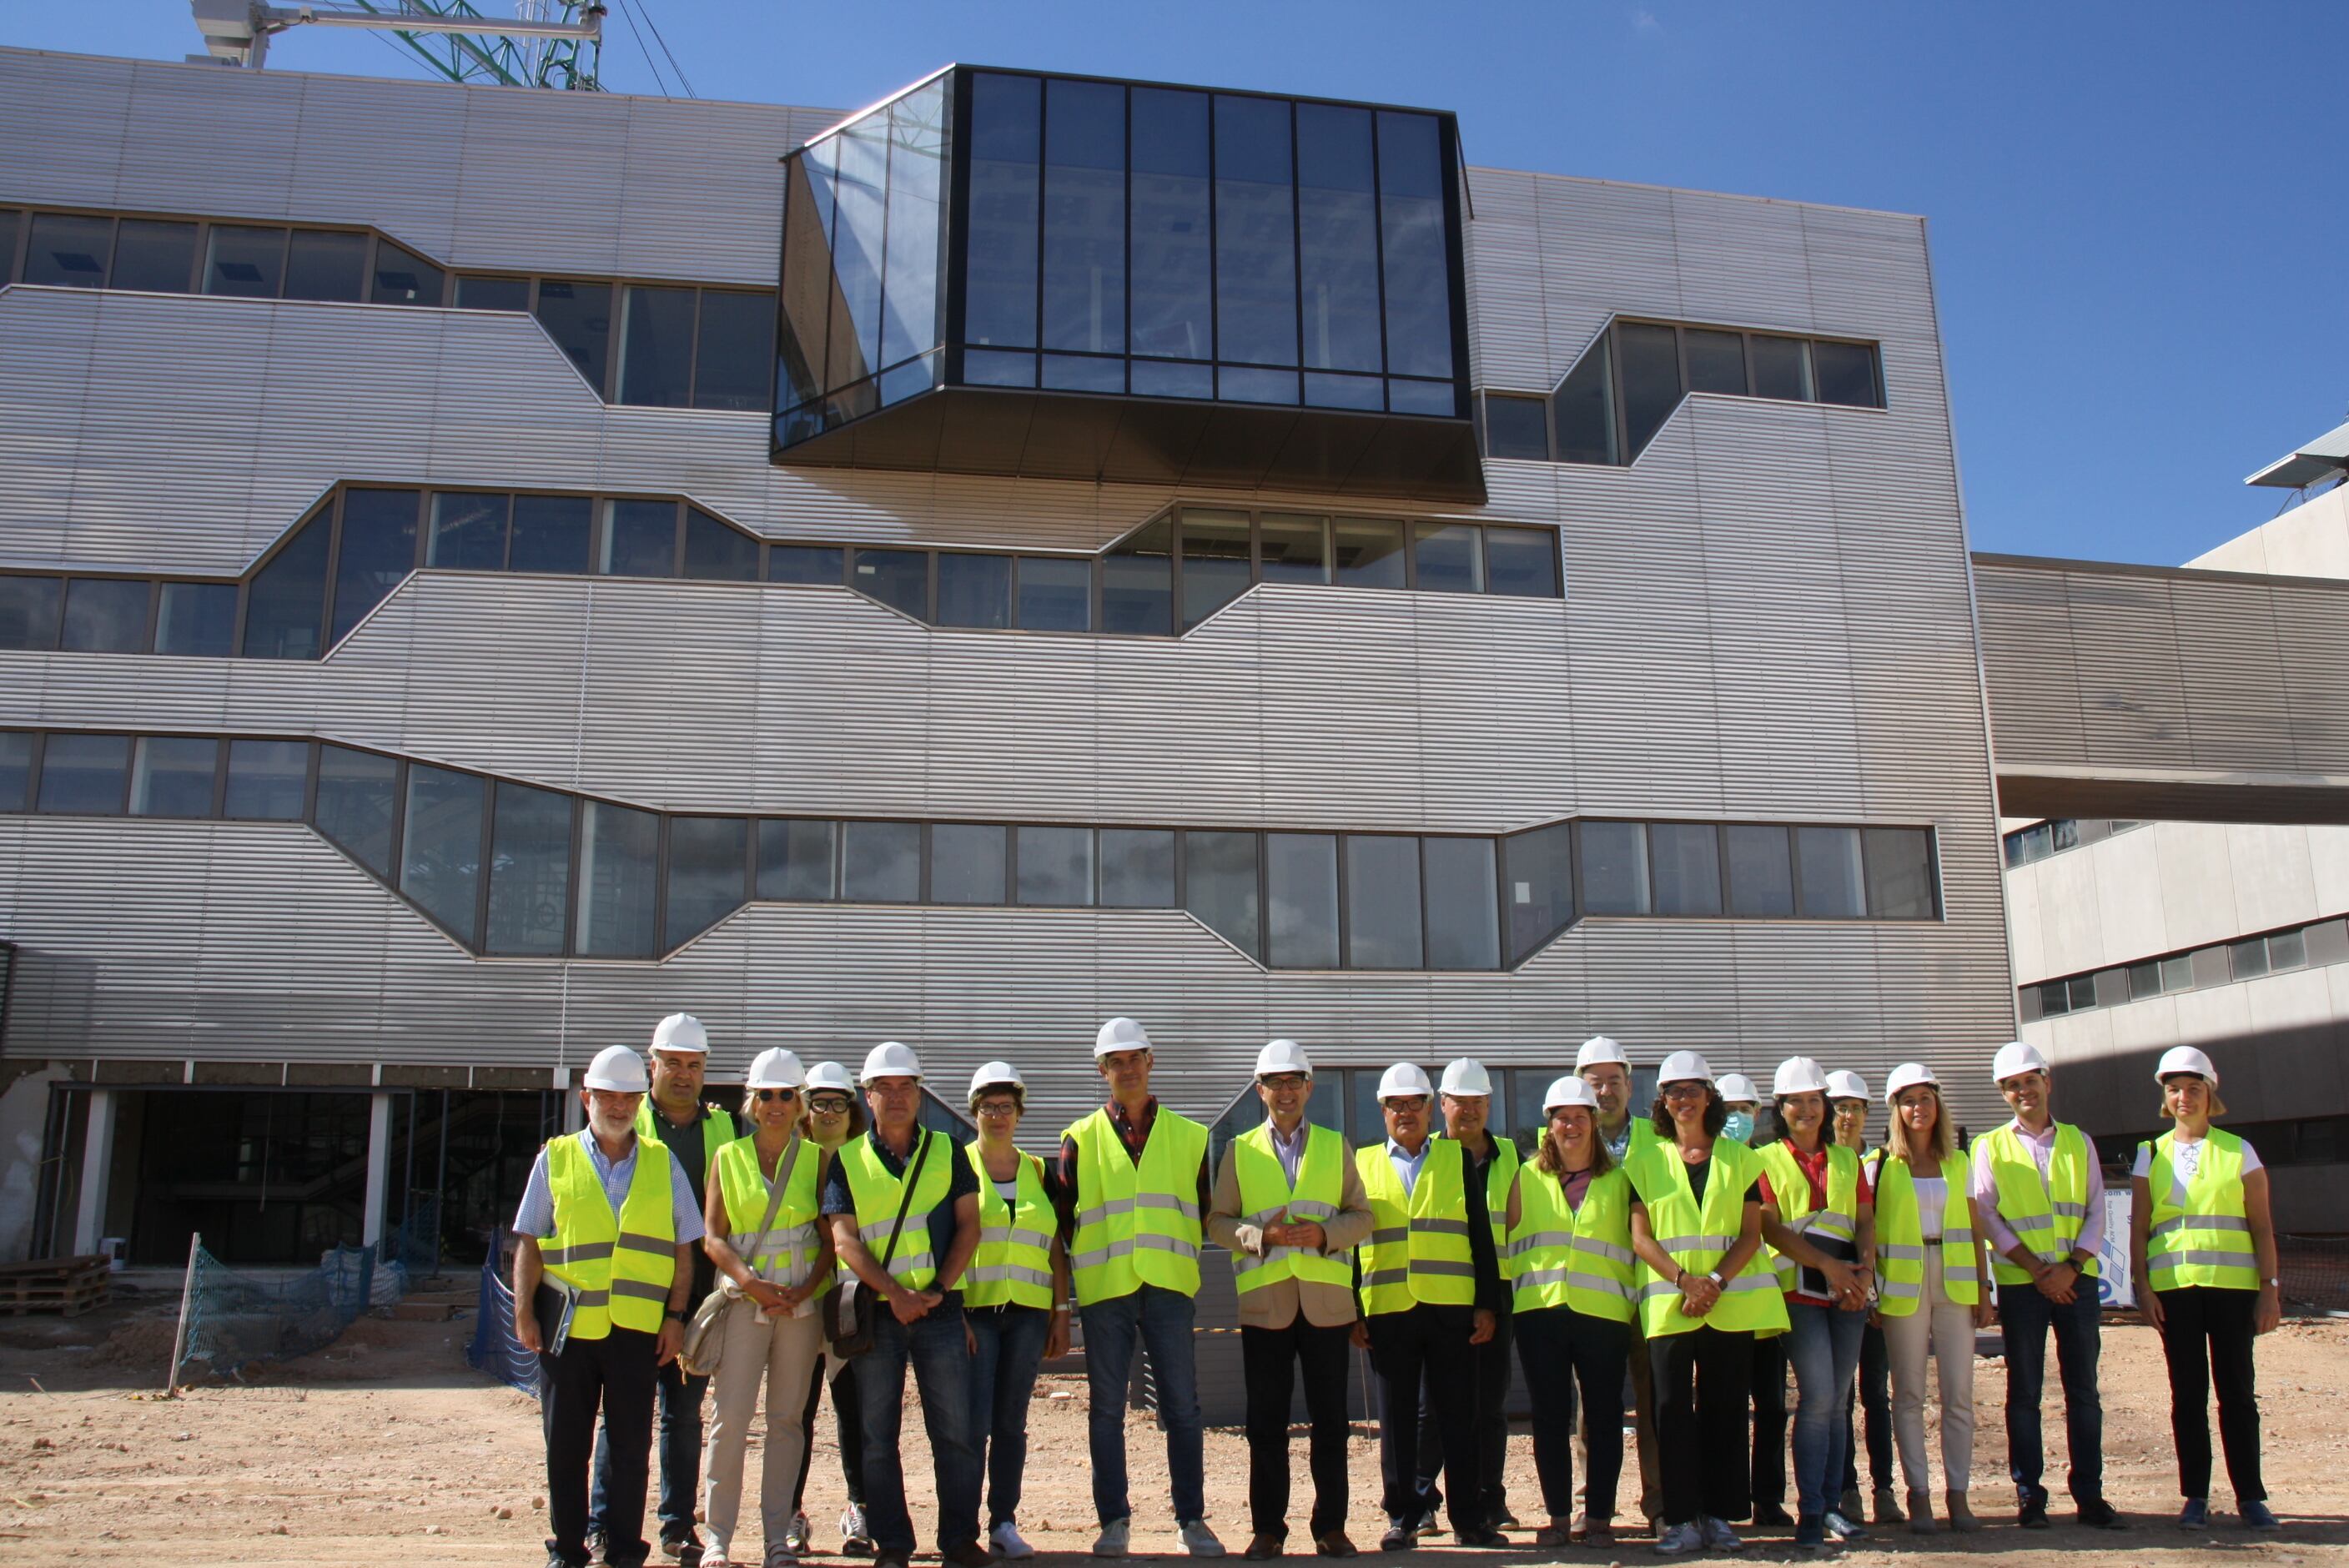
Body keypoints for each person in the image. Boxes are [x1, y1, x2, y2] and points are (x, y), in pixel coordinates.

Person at [513, 1044, 704, 1568]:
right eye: (607, 1097)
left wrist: (675, 1317)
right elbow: (529, 1240)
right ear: (587, 1097)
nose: (618, 1107)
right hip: (566, 1331)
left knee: (629, 1449)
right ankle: (568, 1550)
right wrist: (524, 1313)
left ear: (639, 1102)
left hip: (637, 1331)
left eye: (628, 1098)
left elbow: (684, 1247)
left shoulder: (663, 1164)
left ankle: (623, 1550)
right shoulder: (555, 1158)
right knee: (566, 1448)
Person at [1056, 1018, 1225, 1558]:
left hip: (1169, 1287)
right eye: (1115, 1061)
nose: (1126, 1069)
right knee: (1106, 1409)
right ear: (1101, 1071)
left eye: (1135, 1059)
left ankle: (1191, 1520)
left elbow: (1202, 1212)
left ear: (1150, 1062)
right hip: (1106, 1289)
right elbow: (1062, 1223)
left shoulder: (1190, 1136)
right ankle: (1114, 1522)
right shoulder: (1078, 1140)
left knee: (1182, 1408)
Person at [820, 1042, 988, 1568]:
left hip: (938, 1310)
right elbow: (844, 1241)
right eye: (884, 1088)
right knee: (877, 1435)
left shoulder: (951, 1150)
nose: (896, 1097)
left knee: (956, 1433)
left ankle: (959, 1539)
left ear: (919, 1094)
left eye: (906, 1087)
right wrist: (895, 1295)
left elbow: (970, 1227)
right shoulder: (847, 1161)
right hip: (878, 1312)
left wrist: (937, 1291)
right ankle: (893, 1544)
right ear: (866, 1097)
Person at [1206, 1039, 1375, 1560]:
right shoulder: (1240, 1149)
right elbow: (1217, 1222)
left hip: (1325, 1305)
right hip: (1267, 1305)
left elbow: (1362, 1217)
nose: (1284, 1092)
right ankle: (1268, 1530)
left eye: (1293, 1082)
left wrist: (1325, 1234)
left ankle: (1331, 1528)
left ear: (1309, 1088)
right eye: (1274, 1083)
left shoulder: (1334, 1144)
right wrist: (1263, 1237)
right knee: (1266, 1424)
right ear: (1260, 1091)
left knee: (1330, 1422)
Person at [589, 1014, 744, 1566]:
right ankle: (604, 1526)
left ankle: (677, 1526)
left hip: (701, 1301)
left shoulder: (728, 1130)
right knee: (622, 1415)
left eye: (694, 1065)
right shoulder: (629, 1120)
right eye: (673, 1063)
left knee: (683, 1415)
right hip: (634, 1294)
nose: (683, 1075)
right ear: (652, 1064)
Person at [1625, 1050, 1787, 1557]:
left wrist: (1712, 1281)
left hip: (1728, 1304)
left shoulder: (1744, 1159)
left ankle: (1719, 1515)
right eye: (1674, 1092)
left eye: (1694, 1090)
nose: (1684, 1100)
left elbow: (1751, 1234)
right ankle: (1679, 1519)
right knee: (1670, 1411)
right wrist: (1684, 1281)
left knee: (1725, 1409)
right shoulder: (1642, 1161)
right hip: (1671, 1305)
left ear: (1710, 1098)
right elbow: (1640, 1236)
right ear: (1663, 1103)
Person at [1351, 1063, 1508, 1552]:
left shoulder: (1456, 1158)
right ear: (1382, 1111)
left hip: (1450, 1310)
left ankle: (1468, 1518)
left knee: (1459, 1415)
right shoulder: (1363, 1163)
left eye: (1414, 1103)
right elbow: (1352, 1246)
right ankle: (1405, 1516)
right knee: (1397, 1420)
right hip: (1389, 1309)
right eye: (1395, 1105)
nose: (1405, 1113)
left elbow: (1481, 1235)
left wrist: (1485, 1304)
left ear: (1428, 1107)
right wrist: (1354, 1307)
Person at [1971, 1040, 2125, 1530]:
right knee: (2025, 1392)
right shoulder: (1989, 1146)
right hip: (2023, 1285)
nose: (2023, 1091)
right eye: (2012, 1085)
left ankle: (2090, 1496)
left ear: (2046, 1081)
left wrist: (2072, 1267)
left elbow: (2097, 1208)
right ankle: (2029, 1495)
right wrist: (2039, 1271)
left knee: (2084, 1392)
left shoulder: (2079, 1141)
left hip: (2076, 1282)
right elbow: (1986, 1215)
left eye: (2029, 1081)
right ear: (2003, 1092)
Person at [2128, 1046, 2282, 1532]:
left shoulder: (2239, 1151)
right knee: (2187, 1395)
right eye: (2174, 1090)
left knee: (2237, 1393)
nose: (2183, 1097)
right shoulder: (2150, 1153)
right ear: (2165, 1097)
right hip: (2175, 1292)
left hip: (2233, 1291)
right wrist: (2144, 1289)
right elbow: (2139, 1229)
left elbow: (2261, 1226)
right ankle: (2195, 1495)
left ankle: (2250, 1497)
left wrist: (2270, 1289)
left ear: (2210, 1093)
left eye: (2193, 1089)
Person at [700, 1048, 831, 1568]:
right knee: (730, 1420)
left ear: (799, 1104)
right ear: (752, 1102)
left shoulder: (817, 1159)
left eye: (785, 1095)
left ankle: (778, 1535)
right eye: (766, 1095)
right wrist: (751, 1283)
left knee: (786, 1420)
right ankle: (718, 1538)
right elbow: (714, 1236)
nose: (775, 1104)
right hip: (743, 1300)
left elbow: (830, 1235)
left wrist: (805, 1290)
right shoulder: (727, 1158)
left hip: (799, 1306)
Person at [1504, 1076, 1636, 1549]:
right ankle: (1559, 1517)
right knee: (1549, 1416)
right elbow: (1507, 1243)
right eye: (1562, 1118)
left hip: (1603, 1315)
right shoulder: (1525, 1176)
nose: (1571, 1125)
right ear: (1549, 1125)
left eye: (1580, 1117)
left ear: (1594, 1124)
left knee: (1603, 1416)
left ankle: (1598, 1516)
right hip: (1541, 1312)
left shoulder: (1620, 1180)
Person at [1755, 1058, 1876, 1550]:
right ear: (1779, 1109)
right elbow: (1770, 1227)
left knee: (1838, 1403)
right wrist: (1830, 1269)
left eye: (1813, 1101)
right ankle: (1810, 1512)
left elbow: (1865, 1220)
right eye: (1795, 1102)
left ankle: (1831, 1506)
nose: (1806, 1110)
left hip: (1848, 1292)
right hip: (1799, 1294)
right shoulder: (1764, 1160)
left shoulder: (1848, 1160)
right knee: (1819, 1397)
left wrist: (1862, 1273)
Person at [963, 1062, 1072, 1560]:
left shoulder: (1037, 1171)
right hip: (976, 1314)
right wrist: (954, 1313)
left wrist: (1060, 1311)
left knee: (1011, 1422)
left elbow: (1054, 1246)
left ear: (1019, 1114)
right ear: (975, 1112)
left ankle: (1003, 1522)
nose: (998, 1116)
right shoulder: (956, 1166)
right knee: (973, 1423)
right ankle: (961, 1524)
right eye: (989, 1107)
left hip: (1028, 1315)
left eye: (1006, 1107)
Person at [1871, 1063, 1985, 1535]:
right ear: (1895, 1110)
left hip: (1955, 1282)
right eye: (1909, 1100)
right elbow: (1869, 1232)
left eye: (1926, 1098)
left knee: (1959, 1393)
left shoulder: (1960, 1163)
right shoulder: (1879, 1166)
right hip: (1902, 1286)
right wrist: (1874, 1291)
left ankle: (1957, 1494)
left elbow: (1976, 1228)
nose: (1919, 1108)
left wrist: (1983, 1285)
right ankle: (1919, 1494)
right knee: (1910, 1394)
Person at [1412, 1058, 1520, 1536]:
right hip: (1438, 1294)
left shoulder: (1515, 1156)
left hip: (1496, 1293)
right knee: (1432, 1408)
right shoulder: (1426, 1155)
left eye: (1478, 1102)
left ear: (1489, 1104)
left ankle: (1488, 1498)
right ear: (1443, 1105)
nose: (1470, 1111)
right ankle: (1425, 1498)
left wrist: (1495, 1300)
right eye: (1461, 1102)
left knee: (1489, 1407)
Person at [1573, 1034, 1663, 1539]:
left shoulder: (1658, 1139)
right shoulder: (1569, 1139)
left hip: (1654, 1291)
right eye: (1595, 1082)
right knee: (1595, 1405)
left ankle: (1660, 1502)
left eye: (1613, 1081)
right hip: (1598, 1293)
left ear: (1630, 1086)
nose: (1605, 1091)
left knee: (1656, 1402)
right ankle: (1594, 1504)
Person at [788, 1061, 873, 1555]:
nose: (827, 1112)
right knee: (795, 1412)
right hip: (799, 1302)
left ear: (851, 1109)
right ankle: (791, 1512)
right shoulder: (787, 1159)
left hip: (847, 1303)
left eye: (837, 1102)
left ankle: (858, 1507)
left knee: (852, 1410)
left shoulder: (865, 1161)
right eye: (818, 1102)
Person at [1715, 1072, 1790, 1532]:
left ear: (1759, 1115)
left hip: (1761, 1304)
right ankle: (1726, 1501)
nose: (1737, 1120)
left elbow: (1771, 1227)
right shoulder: (1712, 1166)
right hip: (1720, 1307)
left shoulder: (1763, 1165)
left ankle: (1768, 1498)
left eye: (1745, 1111)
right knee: (1724, 1412)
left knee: (1772, 1408)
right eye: (1729, 1112)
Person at [1826, 1069, 1899, 1528]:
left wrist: (1876, 1290)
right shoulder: (1824, 1163)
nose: (1847, 1116)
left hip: (1873, 1298)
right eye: (1839, 1108)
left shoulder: (1885, 1163)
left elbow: (1884, 1231)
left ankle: (1884, 1489)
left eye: (1855, 1108)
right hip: (1830, 1294)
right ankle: (1846, 1488)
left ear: (1868, 1114)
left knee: (1877, 1394)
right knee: (1839, 1398)